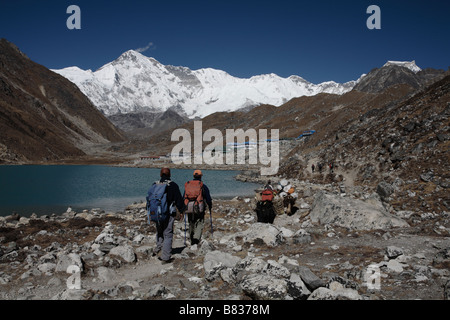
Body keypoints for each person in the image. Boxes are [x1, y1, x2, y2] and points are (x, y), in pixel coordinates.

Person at [147, 168, 184, 264]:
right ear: (170, 174)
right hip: (168, 214)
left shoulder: (155, 184)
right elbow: (178, 200)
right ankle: (166, 257)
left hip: (156, 213)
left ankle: (158, 250)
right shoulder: (173, 185)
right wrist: (182, 211)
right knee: (168, 234)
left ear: (160, 174)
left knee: (159, 232)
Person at [183, 170, 212, 245]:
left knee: (191, 222)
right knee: (199, 223)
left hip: (189, 207)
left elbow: (184, 197)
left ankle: (192, 239)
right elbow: (208, 198)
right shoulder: (202, 185)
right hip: (199, 208)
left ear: (193, 176)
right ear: (201, 176)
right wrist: (210, 205)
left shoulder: (188, 185)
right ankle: (196, 240)